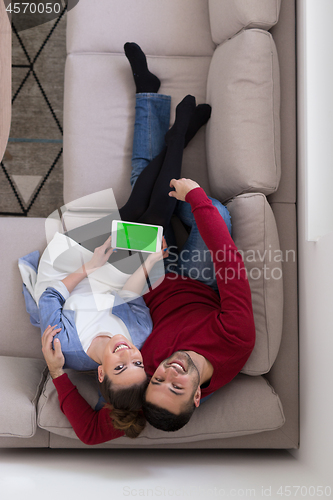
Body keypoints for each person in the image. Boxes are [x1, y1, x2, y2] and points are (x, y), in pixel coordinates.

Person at [38, 43, 255, 444]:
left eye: (159, 378)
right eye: (176, 386)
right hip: (196, 280)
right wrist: (195, 200)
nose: (169, 372)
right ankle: (177, 145)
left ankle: (161, 113)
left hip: (144, 278)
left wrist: (57, 373)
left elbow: (90, 432)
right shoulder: (237, 341)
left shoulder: (140, 378)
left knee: (145, 202)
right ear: (197, 398)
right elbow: (228, 263)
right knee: (216, 217)